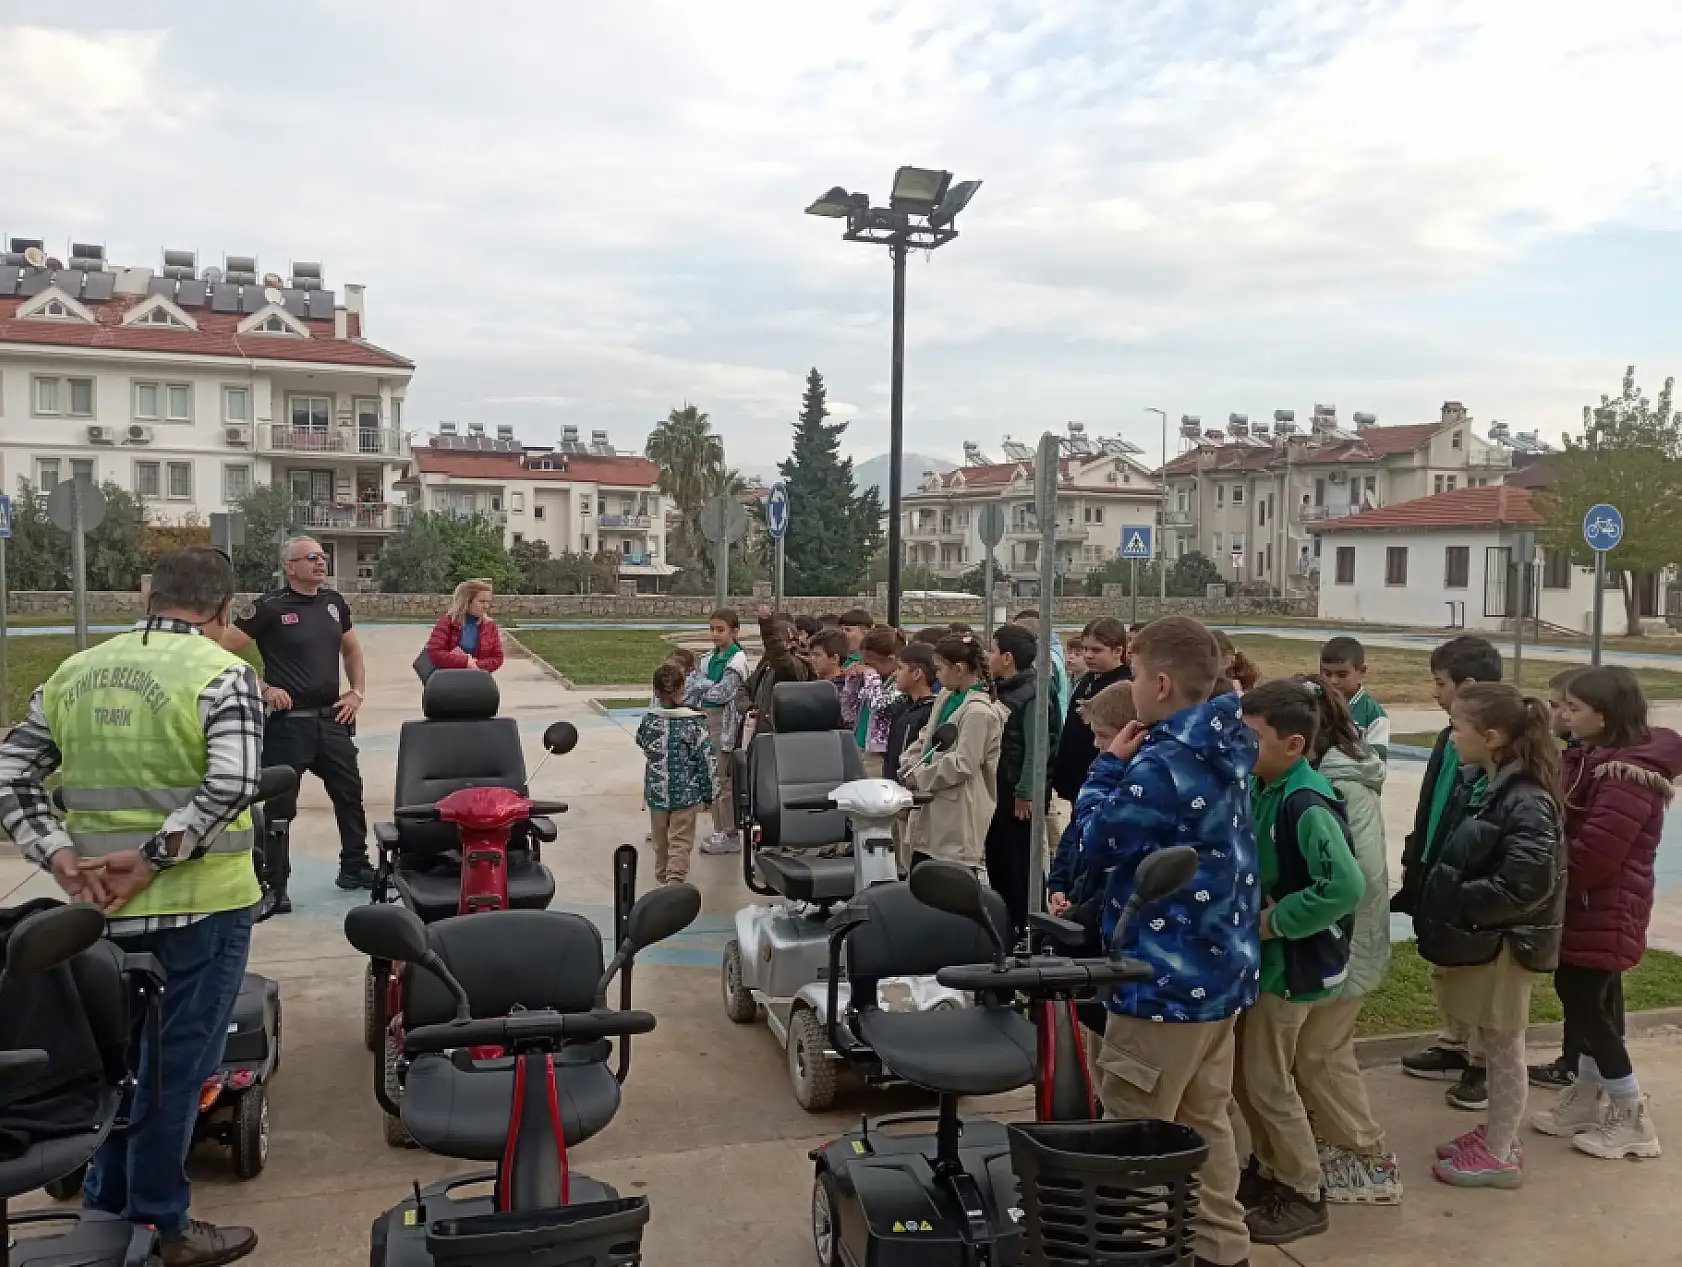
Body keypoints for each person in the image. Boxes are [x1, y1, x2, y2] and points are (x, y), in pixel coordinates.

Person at [0, 546, 264, 1266]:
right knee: (176, 1070)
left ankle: (109, 1214)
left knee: (116, 1067)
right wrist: (152, 859)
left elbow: (11, 770)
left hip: (97, 917)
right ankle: (161, 1222)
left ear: (150, 597)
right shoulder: (222, 673)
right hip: (203, 911)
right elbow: (235, 784)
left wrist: (57, 854)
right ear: (223, 610)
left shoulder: (76, 671)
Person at [1075, 616, 1259, 1267]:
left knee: (1134, 1130)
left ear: (1158, 681)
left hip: (1161, 982)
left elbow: (1096, 845)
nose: (1129, 684)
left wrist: (1104, 768)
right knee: (1204, 1121)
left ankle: (1128, 1250)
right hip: (1220, 976)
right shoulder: (1228, 742)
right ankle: (1219, 1248)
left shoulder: (1162, 763)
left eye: (1132, 673)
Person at [1418, 684, 1565, 1190]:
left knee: (1505, 1047)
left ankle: (1501, 1151)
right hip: (1491, 940)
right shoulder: (1491, 784)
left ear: (1493, 736)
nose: (1451, 736)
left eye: (1458, 727)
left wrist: (1459, 894)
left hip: (1505, 943)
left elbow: (1526, 883)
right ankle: (1496, 1132)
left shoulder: (1524, 798)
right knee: (1494, 1040)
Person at [1233, 679, 1363, 1245]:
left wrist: (1276, 920)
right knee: (1246, 1078)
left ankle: (1304, 1189)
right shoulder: (1265, 786)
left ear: (1292, 745)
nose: (1241, 747)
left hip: (1289, 970)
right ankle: (1268, 1169)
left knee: (1268, 1082)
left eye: (1252, 738)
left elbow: (1345, 887)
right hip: (1264, 966)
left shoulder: (1305, 802)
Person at [1532, 666, 1680, 1159]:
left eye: (1573, 707)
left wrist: (1547, 882)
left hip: (1603, 907)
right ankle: (1589, 1098)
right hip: (1588, 907)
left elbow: (1596, 854)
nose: (1563, 714)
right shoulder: (1591, 756)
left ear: (1605, 714)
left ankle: (1631, 1113)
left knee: (1588, 1006)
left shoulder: (1625, 774)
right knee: (1586, 1004)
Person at [1294, 676, 1400, 1205]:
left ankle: (1368, 1156)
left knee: (1321, 1053)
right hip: (1325, 943)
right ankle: (1333, 1144)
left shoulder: (1343, 786)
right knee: (1310, 1053)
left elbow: (1359, 879)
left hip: (1345, 944)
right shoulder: (1317, 775)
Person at [222, 535, 371, 909]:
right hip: (289, 724)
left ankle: (354, 865)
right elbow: (218, 649)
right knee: (280, 806)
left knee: (350, 795)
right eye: (312, 557)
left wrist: (357, 692)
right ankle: (275, 883)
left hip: (332, 719)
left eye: (323, 556)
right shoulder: (269, 608)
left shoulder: (334, 603)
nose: (321, 563)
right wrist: (263, 687)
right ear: (291, 566)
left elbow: (351, 649)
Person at [1394, 635, 1503, 1111]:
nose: (1434, 694)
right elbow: (1432, 804)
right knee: (1447, 966)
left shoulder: (1498, 747)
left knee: (1481, 977)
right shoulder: (1449, 735)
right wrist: (1417, 858)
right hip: (1437, 862)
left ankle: (1483, 1061)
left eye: (1440, 684)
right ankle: (1454, 1042)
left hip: (1473, 882)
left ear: (1470, 685)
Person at [900, 632, 1005, 874]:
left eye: (938, 669)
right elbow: (927, 736)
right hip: (930, 804)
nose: (936, 675)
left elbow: (964, 763)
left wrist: (922, 776)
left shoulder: (979, 711)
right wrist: (909, 761)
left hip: (957, 811)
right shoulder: (947, 695)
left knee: (948, 882)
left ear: (958, 669)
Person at [1532, 667, 1586, 1089]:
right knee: (1577, 989)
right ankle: (1576, 1064)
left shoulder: (1601, 763)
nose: (1555, 714)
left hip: (1590, 896)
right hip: (1573, 887)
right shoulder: (1574, 753)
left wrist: (1560, 871)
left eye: (1561, 706)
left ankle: (1587, 1069)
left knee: (1594, 995)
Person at [987, 623, 1057, 937]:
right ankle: (1007, 925)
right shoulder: (1003, 689)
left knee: (1021, 864)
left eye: (992, 650)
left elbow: (1037, 746)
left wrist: (1026, 791)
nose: (987, 656)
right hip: (999, 788)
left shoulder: (1034, 692)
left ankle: (1029, 929)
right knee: (999, 860)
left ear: (1007, 657)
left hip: (1017, 792)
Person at [636, 664, 714, 885]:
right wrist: (709, 794)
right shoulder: (694, 723)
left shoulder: (649, 721)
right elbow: (705, 760)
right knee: (680, 840)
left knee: (660, 841)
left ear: (655, 692)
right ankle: (674, 880)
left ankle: (663, 877)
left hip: (657, 793)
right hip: (686, 796)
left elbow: (641, 742)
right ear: (683, 689)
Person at [686, 608, 748, 855]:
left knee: (724, 778)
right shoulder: (708, 658)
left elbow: (723, 693)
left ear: (734, 632)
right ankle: (719, 828)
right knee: (712, 777)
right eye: (712, 629)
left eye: (720, 630)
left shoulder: (737, 661)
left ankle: (730, 832)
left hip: (724, 722)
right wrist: (704, 686)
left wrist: (702, 686)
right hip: (706, 717)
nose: (714, 634)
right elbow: (693, 687)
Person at [745, 605, 812, 737]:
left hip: (779, 733)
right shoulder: (765, 663)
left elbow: (779, 655)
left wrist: (767, 626)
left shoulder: (798, 665)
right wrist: (749, 707)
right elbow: (745, 687)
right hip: (758, 729)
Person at [1318, 635, 1388, 760]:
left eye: (1342, 674)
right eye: (1327, 674)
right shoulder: (1313, 702)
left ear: (1361, 671)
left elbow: (1376, 765)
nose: (1333, 681)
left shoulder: (1374, 715)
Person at [852, 627, 904, 778]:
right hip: (859, 746)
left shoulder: (899, 685)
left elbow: (879, 706)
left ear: (891, 660)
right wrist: (852, 683)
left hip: (877, 757)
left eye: (871, 664)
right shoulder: (874, 681)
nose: (866, 667)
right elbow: (849, 712)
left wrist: (870, 675)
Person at [425, 579, 505, 674]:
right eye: (482, 601)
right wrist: (465, 661)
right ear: (466, 602)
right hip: (449, 680)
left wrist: (475, 665)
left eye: (488, 602)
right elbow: (435, 653)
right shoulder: (447, 622)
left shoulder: (490, 626)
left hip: (478, 681)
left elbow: (497, 658)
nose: (486, 606)